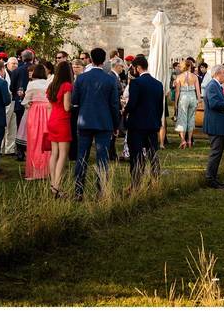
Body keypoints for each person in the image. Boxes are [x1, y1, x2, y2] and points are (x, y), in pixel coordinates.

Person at [72, 47, 120, 200]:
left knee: (82, 157)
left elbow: (75, 101)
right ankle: (101, 191)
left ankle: (78, 192)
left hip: (85, 121)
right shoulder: (110, 79)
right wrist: (116, 125)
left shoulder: (81, 78)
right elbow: (114, 105)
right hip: (104, 122)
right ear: (104, 60)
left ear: (90, 60)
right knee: (102, 158)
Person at [124, 55, 164, 189]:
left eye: (133, 68)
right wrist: (157, 123)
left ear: (138, 68)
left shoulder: (136, 83)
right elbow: (160, 107)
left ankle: (135, 184)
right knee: (153, 155)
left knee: (136, 156)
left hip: (137, 125)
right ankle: (155, 182)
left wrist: (124, 111)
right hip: (152, 125)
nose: (132, 70)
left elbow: (132, 104)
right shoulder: (158, 84)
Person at [46, 60, 74, 196]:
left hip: (52, 120)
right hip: (62, 120)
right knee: (63, 154)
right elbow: (67, 106)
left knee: (54, 153)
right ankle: (57, 186)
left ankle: (53, 184)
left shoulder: (52, 85)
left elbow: (49, 106)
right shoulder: (67, 85)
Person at [20, 63, 52, 180]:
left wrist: (27, 104)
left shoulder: (32, 84)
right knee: (45, 141)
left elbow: (25, 100)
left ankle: (35, 171)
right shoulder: (49, 83)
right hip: (47, 112)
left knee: (34, 141)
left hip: (35, 112)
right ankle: (47, 169)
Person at [202, 64, 224, 189]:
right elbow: (214, 104)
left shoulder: (216, 86)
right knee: (215, 152)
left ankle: (213, 177)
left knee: (217, 152)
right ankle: (210, 178)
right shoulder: (213, 86)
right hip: (215, 125)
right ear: (217, 74)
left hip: (218, 125)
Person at [10, 49, 35, 161]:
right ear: (32, 58)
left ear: (22, 58)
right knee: (33, 127)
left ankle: (20, 152)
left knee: (20, 126)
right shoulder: (37, 68)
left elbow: (11, 87)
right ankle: (31, 149)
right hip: (33, 102)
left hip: (20, 102)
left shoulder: (17, 71)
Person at [173, 59, 201, 149]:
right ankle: (189, 140)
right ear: (190, 66)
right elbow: (198, 90)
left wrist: (176, 103)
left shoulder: (179, 77)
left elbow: (177, 91)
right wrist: (199, 99)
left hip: (183, 97)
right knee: (191, 119)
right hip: (193, 96)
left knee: (182, 118)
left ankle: (183, 141)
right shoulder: (195, 76)